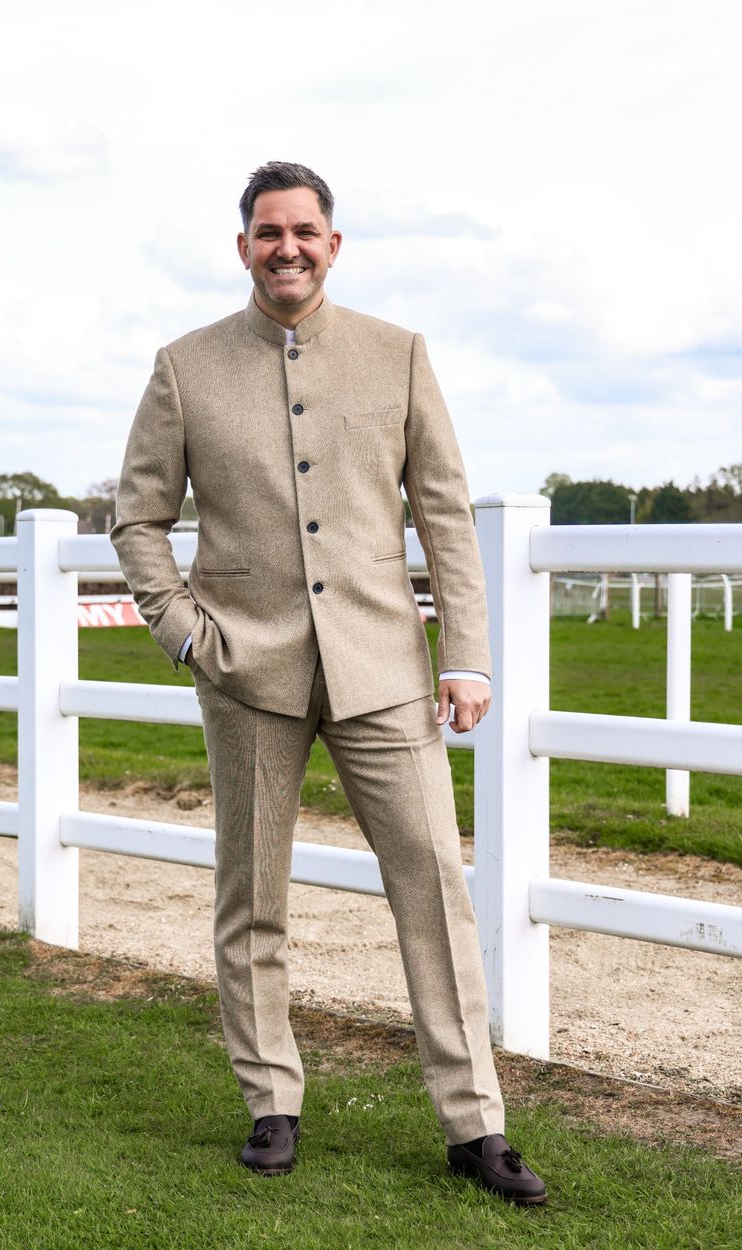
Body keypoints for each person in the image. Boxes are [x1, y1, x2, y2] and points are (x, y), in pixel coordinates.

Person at [111, 161, 546, 1206]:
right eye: (268, 232)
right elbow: (137, 517)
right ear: (243, 247)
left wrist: (467, 653)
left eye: (304, 231)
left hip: (384, 667)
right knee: (251, 895)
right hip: (244, 669)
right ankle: (271, 1101)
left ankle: (474, 1124)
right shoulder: (184, 366)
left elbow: (444, 515)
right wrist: (184, 632)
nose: (287, 248)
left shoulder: (400, 355)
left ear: (333, 244)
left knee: (433, 888)